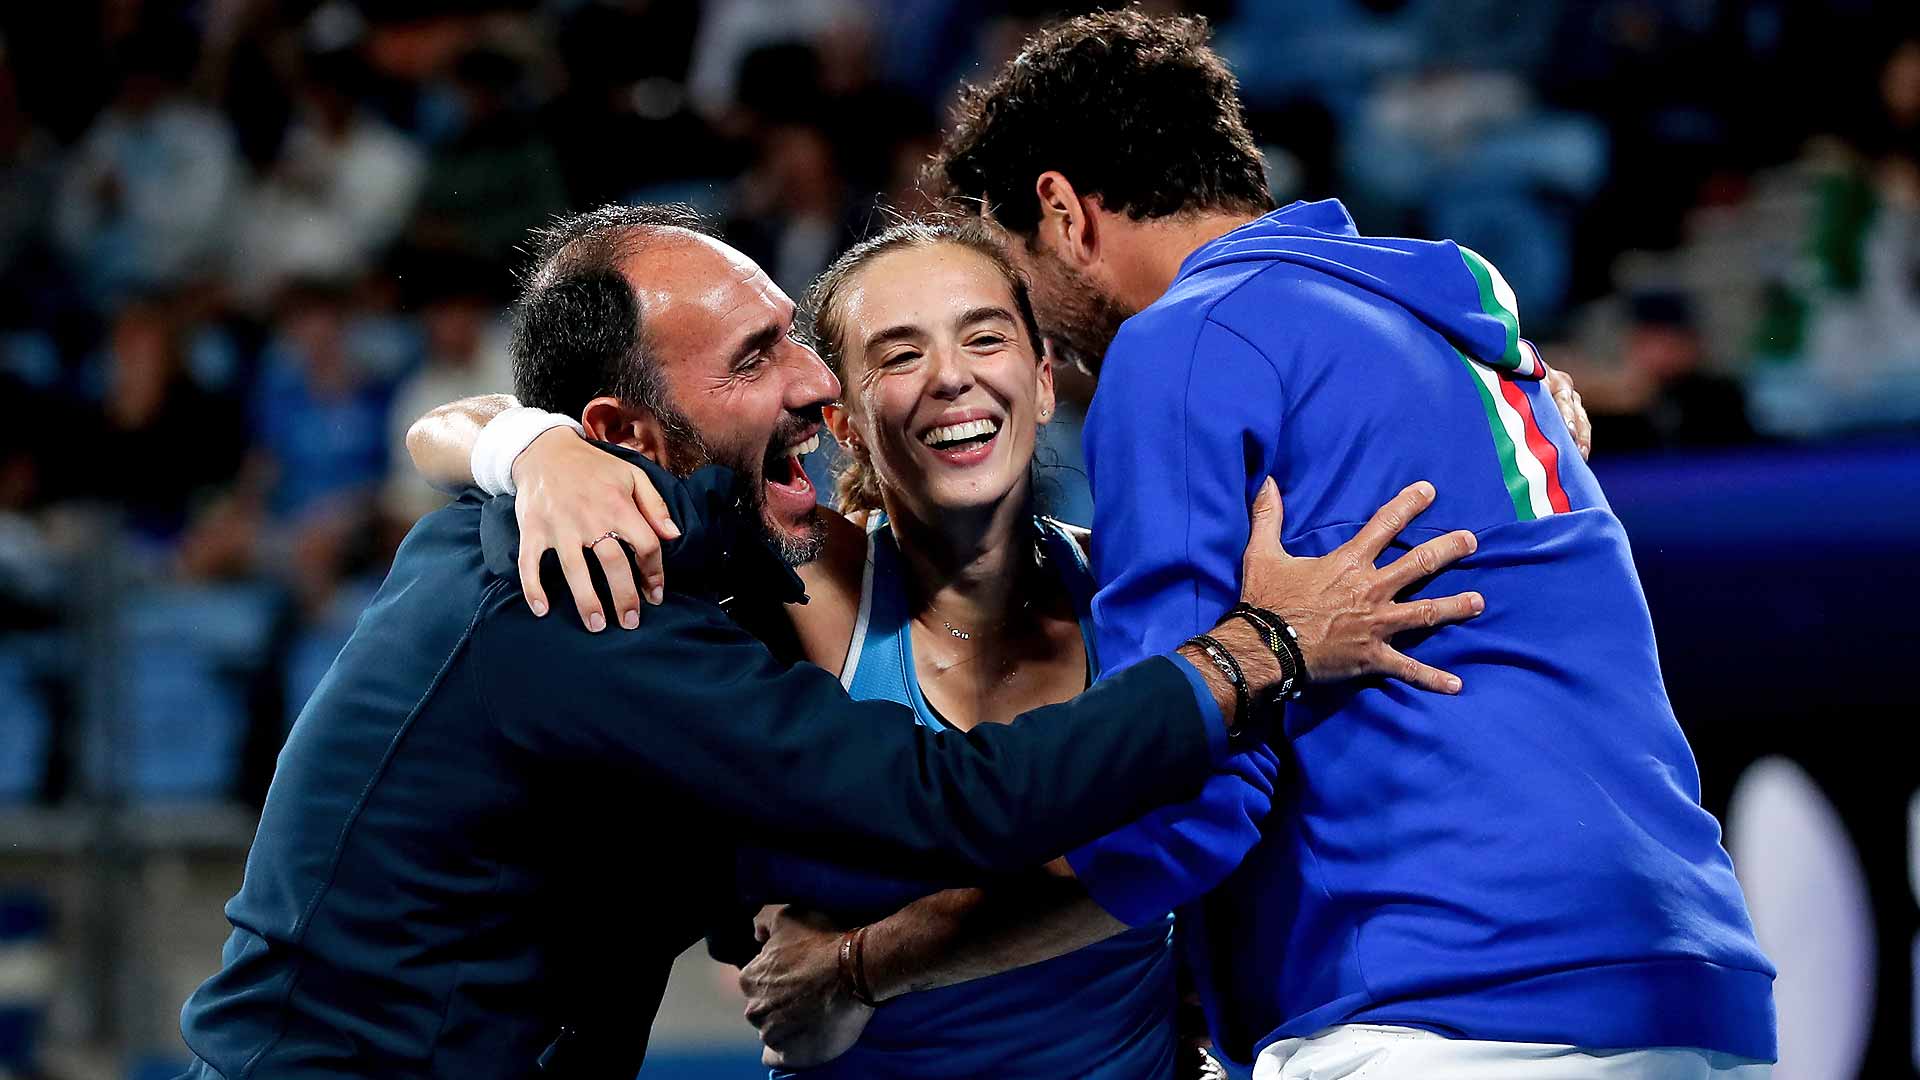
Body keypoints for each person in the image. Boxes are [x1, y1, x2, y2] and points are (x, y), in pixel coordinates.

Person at [177, 203, 1478, 1080]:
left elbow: (1180, 837)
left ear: (1048, 370)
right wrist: (1256, 655)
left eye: (986, 336)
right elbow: (952, 807)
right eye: (766, 357)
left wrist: (514, 442)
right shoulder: (621, 602)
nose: (803, 378)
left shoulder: (703, 575)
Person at [734, 11, 1773, 1079]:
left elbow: (1177, 820)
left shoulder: (1179, 343)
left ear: (1060, 211)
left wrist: (857, 968)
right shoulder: (1446, 315)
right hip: (1689, 987)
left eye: (1010, 290)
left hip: (1441, 1002)